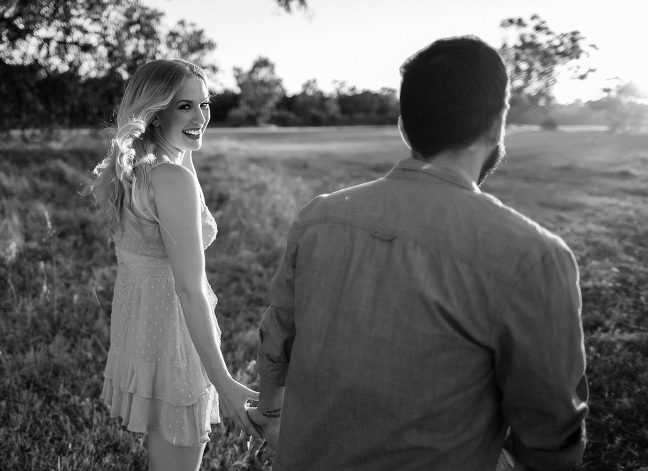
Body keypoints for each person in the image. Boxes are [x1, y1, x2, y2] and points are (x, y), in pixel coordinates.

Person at [247, 36, 588, 470]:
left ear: (404, 126)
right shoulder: (534, 257)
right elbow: (553, 433)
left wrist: (270, 414)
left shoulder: (319, 218)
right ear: (497, 125)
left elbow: (277, 342)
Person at [84, 59, 259, 471]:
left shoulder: (134, 171)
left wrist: (185, 138)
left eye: (204, 104)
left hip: (141, 330)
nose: (201, 117)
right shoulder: (171, 180)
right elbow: (189, 288)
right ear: (156, 112)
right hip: (173, 339)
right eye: (185, 106)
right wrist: (225, 383)